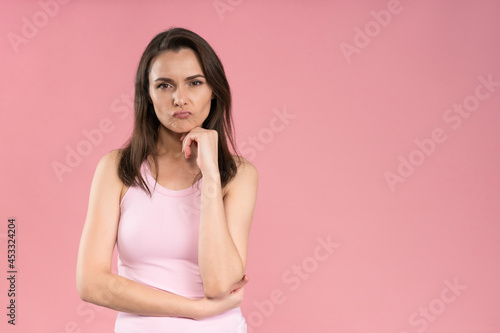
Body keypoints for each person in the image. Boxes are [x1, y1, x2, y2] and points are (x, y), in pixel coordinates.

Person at [76, 27, 258, 332]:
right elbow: (91, 284)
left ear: (214, 90)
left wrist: (211, 174)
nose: (179, 98)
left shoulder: (239, 175)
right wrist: (194, 310)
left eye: (194, 83)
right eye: (164, 85)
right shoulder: (117, 169)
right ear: (147, 94)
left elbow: (220, 284)